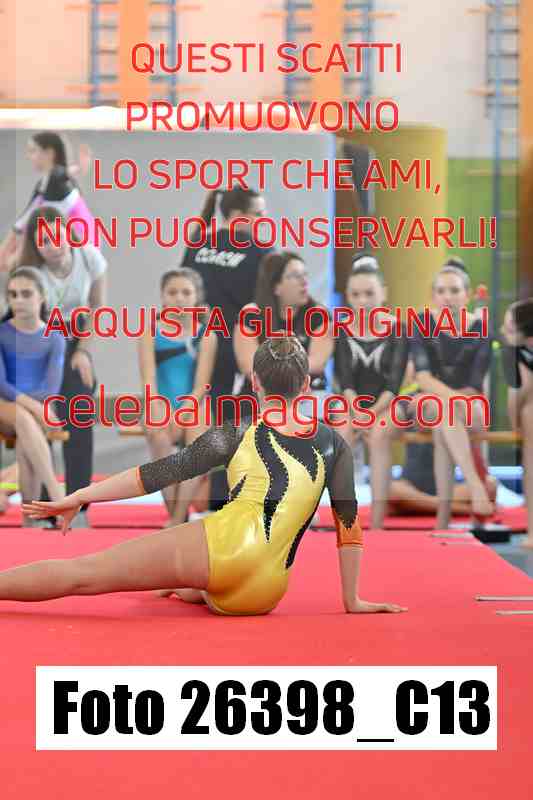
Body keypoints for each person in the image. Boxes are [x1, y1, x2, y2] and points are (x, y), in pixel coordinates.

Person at [17, 337, 406, 616]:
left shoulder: (236, 432)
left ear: (254, 382)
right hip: (264, 593)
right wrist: (352, 600)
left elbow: (156, 474)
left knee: (84, 573)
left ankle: (183, 578)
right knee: (201, 577)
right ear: (306, 385)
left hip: (226, 548)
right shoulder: (335, 443)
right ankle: (187, 583)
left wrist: (81, 495)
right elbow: (348, 527)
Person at [17, 205, 108, 527]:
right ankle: (45, 502)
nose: (51, 246)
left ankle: (79, 503)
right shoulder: (30, 269)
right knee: (44, 418)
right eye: (43, 241)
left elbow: (97, 307)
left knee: (80, 414)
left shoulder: (89, 257)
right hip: (40, 340)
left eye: (56, 237)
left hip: (76, 336)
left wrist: (83, 351)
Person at [182, 187, 271, 508]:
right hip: (236, 348)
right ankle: (225, 497)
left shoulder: (197, 246)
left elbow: (185, 295)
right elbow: (267, 304)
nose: (263, 220)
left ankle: (209, 498)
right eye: (258, 214)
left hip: (198, 347)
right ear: (237, 216)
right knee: (236, 424)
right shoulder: (260, 253)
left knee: (213, 420)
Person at [410, 264, 494, 528]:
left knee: (444, 425)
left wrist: (456, 402)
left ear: (467, 295)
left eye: (455, 290)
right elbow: (423, 378)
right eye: (441, 291)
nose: (448, 297)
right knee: (443, 411)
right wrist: (454, 400)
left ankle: (442, 521)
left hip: (469, 406)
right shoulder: (422, 324)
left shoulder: (480, 328)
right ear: (433, 296)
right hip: (431, 403)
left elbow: (475, 384)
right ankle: (475, 486)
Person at [333, 256, 409, 529]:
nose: (362, 301)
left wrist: (371, 414)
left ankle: (377, 524)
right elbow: (345, 380)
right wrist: (357, 412)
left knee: (378, 435)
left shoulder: (398, 329)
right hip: (353, 402)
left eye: (369, 293)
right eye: (355, 295)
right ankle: (344, 520)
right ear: (347, 296)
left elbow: (393, 384)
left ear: (383, 293)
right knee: (342, 433)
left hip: (389, 404)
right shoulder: (342, 331)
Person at [137, 268, 216, 524]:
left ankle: (178, 516)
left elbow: (201, 385)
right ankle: (175, 515)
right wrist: (157, 407)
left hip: (194, 403)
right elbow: (148, 380)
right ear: (162, 297)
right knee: (158, 435)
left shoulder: (206, 335)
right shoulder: (150, 332)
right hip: (159, 400)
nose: (179, 298)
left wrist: (182, 412)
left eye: (186, 292)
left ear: (196, 297)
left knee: (198, 446)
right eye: (172, 292)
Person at [0, 268, 65, 525]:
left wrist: (38, 408)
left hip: (36, 409)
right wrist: (35, 408)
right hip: (5, 405)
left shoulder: (54, 338)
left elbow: (51, 388)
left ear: (42, 297)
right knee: (24, 418)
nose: (18, 301)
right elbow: (2, 384)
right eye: (13, 295)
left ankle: (29, 518)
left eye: (26, 294)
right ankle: (56, 493)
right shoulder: (2, 334)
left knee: (26, 444)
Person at [234, 250, 333, 412]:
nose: (304, 281)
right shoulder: (251, 315)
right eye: (295, 276)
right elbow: (248, 365)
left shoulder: (318, 314)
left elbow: (317, 362)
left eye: (305, 275)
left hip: (306, 390)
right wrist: (280, 386)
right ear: (276, 287)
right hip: (261, 391)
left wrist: (291, 385)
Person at [0, 132, 94, 272]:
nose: (29, 156)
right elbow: (26, 217)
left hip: (80, 246)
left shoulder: (56, 179)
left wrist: (78, 168)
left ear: (49, 153)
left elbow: (62, 173)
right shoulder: (46, 183)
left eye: (33, 151)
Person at [388, 440, 497, 517]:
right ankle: (463, 509)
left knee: (490, 484)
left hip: (450, 491)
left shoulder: (455, 420)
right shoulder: (408, 417)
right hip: (410, 488)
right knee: (391, 490)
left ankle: (416, 506)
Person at [500, 298, 533, 548]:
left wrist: (516, 427)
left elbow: (518, 391)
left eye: (508, 326)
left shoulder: (514, 352)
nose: (503, 331)